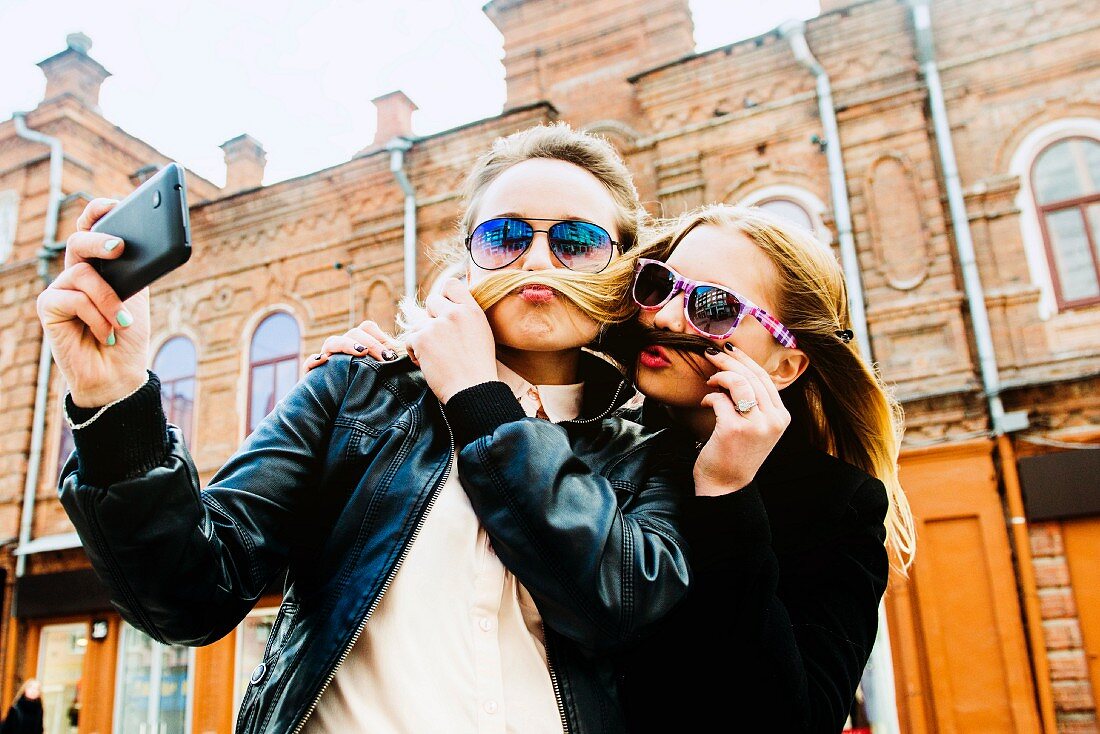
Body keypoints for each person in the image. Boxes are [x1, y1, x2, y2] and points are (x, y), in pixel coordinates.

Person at [38, 124, 697, 734]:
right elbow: (186, 595)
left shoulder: (650, 443)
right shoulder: (357, 392)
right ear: (469, 258)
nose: (538, 260)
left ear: (622, 267)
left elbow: (619, 606)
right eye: (506, 237)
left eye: (576, 241)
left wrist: (480, 400)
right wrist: (111, 397)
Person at [314, 203, 915, 732]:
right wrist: (386, 380)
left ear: (785, 365)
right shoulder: (591, 429)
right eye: (662, 286)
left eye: (712, 306)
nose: (665, 317)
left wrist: (727, 495)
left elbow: (783, 719)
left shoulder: (837, 504)